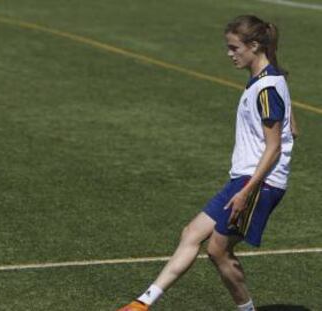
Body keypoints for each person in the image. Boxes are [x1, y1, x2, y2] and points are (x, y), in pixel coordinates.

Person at [116, 15, 298, 311]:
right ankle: (142, 304)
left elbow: (274, 147)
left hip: (258, 182)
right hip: (244, 179)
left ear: (253, 46)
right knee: (192, 233)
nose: (229, 54)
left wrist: (246, 191)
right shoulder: (264, 81)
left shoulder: (266, 88)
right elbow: (286, 124)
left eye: (234, 48)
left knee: (218, 250)